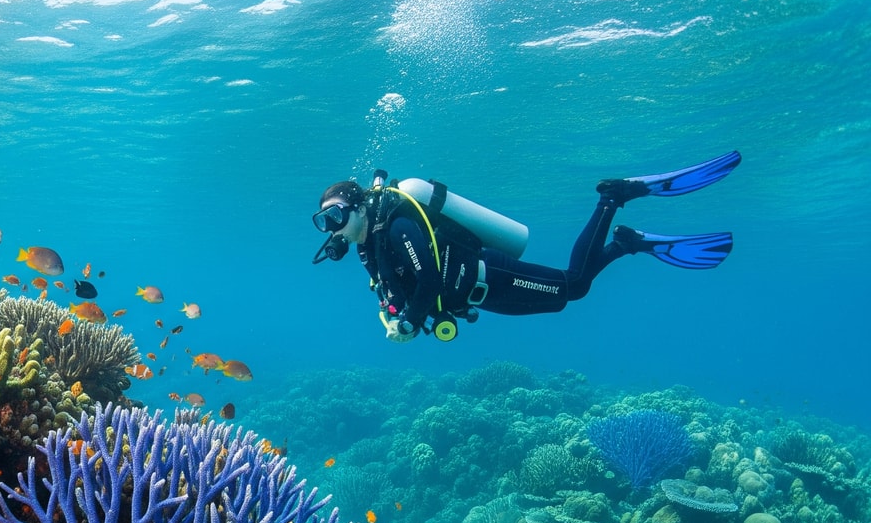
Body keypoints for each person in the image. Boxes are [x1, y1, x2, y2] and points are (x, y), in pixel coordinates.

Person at [311, 151, 740, 342]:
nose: (330, 228)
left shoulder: (396, 227)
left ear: (357, 208)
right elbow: (397, 290)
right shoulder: (370, 245)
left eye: (333, 216)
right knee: (568, 297)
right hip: (483, 295)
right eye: (323, 221)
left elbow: (425, 278)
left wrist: (408, 324)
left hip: (488, 275)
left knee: (573, 287)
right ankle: (628, 243)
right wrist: (394, 315)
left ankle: (612, 197)